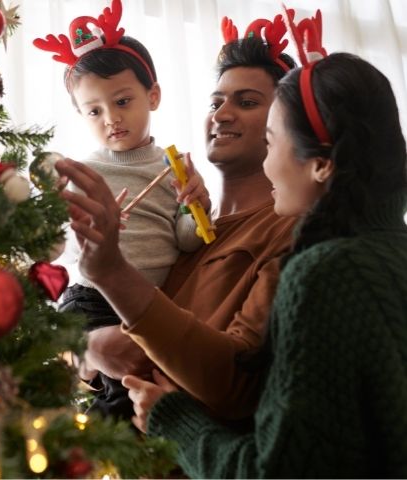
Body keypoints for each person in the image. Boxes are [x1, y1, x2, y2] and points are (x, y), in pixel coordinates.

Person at [138, 49, 407, 477]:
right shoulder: (387, 253)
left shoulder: (322, 272)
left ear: (320, 164)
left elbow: (275, 470)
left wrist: (171, 419)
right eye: (216, 101)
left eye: (271, 141)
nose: (267, 162)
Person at [63, 14, 299, 424]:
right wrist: (83, 351)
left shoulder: (287, 231)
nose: (222, 114)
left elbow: (238, 380)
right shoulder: (184, 222)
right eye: (216, 101)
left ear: (285, 125)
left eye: (246, 102)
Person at [33, 0, 209, 421]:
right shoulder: (83, 173)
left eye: (123, 101)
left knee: (146, 385)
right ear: (80, 114)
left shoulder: (175, 165)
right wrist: (91, 235)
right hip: (93, 301)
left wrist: (196, 208)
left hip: (150, 301)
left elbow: (185, 242)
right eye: (94, 110)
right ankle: (108, 445)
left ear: (153, 96)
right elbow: (65, 254)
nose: (111, 118)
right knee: (118, 390)